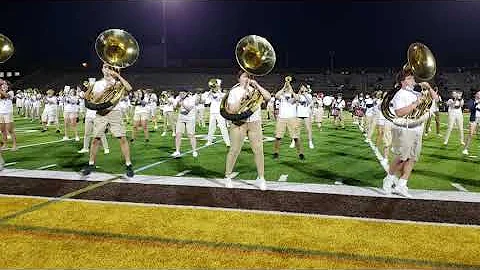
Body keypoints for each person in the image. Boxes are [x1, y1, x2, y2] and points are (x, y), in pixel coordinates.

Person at [382, 70, 438, 198]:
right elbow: (399, 112)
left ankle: (402, 185)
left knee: (412, 158)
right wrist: (416, 103)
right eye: (409, 78)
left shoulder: (416, 92)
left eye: (412, 78)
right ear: (402, 82)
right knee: (402, 157)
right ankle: (389, 179)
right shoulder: (400, 95)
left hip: (418, 128)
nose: (413, 80)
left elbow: (436, 99)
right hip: (404, 129)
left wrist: (428, 87)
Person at [81, 64, 134, 177]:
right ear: (102, 69)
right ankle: (91, 164)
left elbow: (129, 88)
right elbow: (95, 100)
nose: (107, 69)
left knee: (122, 138)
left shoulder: (118, 82)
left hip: (115, 112)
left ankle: (128, 164)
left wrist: (118, 76)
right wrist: (106, 89)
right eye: (105, 67)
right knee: (96, 139)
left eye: (109, 67)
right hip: (101, 114)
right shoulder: (97, 84)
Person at [224, 71, 271, 190]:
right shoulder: (234, 91)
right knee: (234, 150)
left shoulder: (255, 90)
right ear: (239, 78)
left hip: (254, 123)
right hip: (239, 123)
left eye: (249, 77)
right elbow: (232, 110)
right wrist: (242, 97)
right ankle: (228, 176)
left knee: (258, 150)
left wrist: (257, 85)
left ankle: (261, 178)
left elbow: (268, 97)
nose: (247, 79)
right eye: (244, 76)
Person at [273, 78, 304, 160]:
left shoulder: (294, 95)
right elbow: (276, 95)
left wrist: (290, 89)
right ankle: (276, 152)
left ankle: (300, 153)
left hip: (292, 118)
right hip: (281, 118)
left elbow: (297, 98)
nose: (287, 87)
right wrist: (284, 87)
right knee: (278, 137)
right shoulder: (282, 96)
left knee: (296, 137)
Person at [171, 91, 199, 157]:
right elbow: (175, 108)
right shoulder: (178, 98)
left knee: (191, 135)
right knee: (178, 134)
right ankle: (177, 151)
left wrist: (182, 103)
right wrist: (178, 103)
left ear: (186, 93)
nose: (181, 94)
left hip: (190, 118)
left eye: (183, 93)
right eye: (180, 93)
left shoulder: (191, 98)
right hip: (181, 118)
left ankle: (194, 151)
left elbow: (188, 109)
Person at [205, 79, 230, 147]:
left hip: (220, 113)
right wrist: (210, 92)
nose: (215, 87)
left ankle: (228, 142)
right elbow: (206, 102)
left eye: (216, 86)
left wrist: (218, 90)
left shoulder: (222, 94)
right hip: (212, 112)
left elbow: (222, 97)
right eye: (214, 86)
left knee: (223, 128)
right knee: (211, 127)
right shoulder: (210, 94)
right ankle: (209, 141)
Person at [0, 79, 17, 151]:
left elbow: (6, 96)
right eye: (2, 84)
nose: (3, 85)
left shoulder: (11, 92)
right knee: (2, 130)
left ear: (8, 86)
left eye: (5, 84)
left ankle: (15, 145)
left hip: (8, 113)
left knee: (10, 130)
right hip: (0, 112)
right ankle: (5, 144)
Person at [463, 90, 480, 155]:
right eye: (478, 94)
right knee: (471, 134)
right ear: (475, 95)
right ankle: (465, 149)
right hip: (474, 119)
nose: (479, 95)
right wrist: (477, 103)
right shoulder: (472, 101)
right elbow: (471, 108)